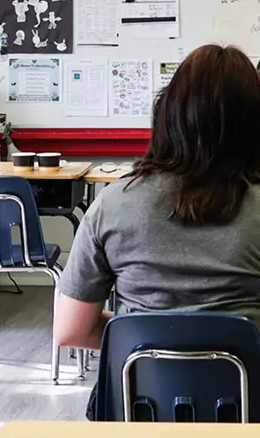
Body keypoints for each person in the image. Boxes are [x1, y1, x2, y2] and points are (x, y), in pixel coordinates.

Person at [54, 44, 260, 415]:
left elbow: (70, 330)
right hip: (250, 410)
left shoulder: (113, 204)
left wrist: (141, 334)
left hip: (138, 407)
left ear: (167, 114)